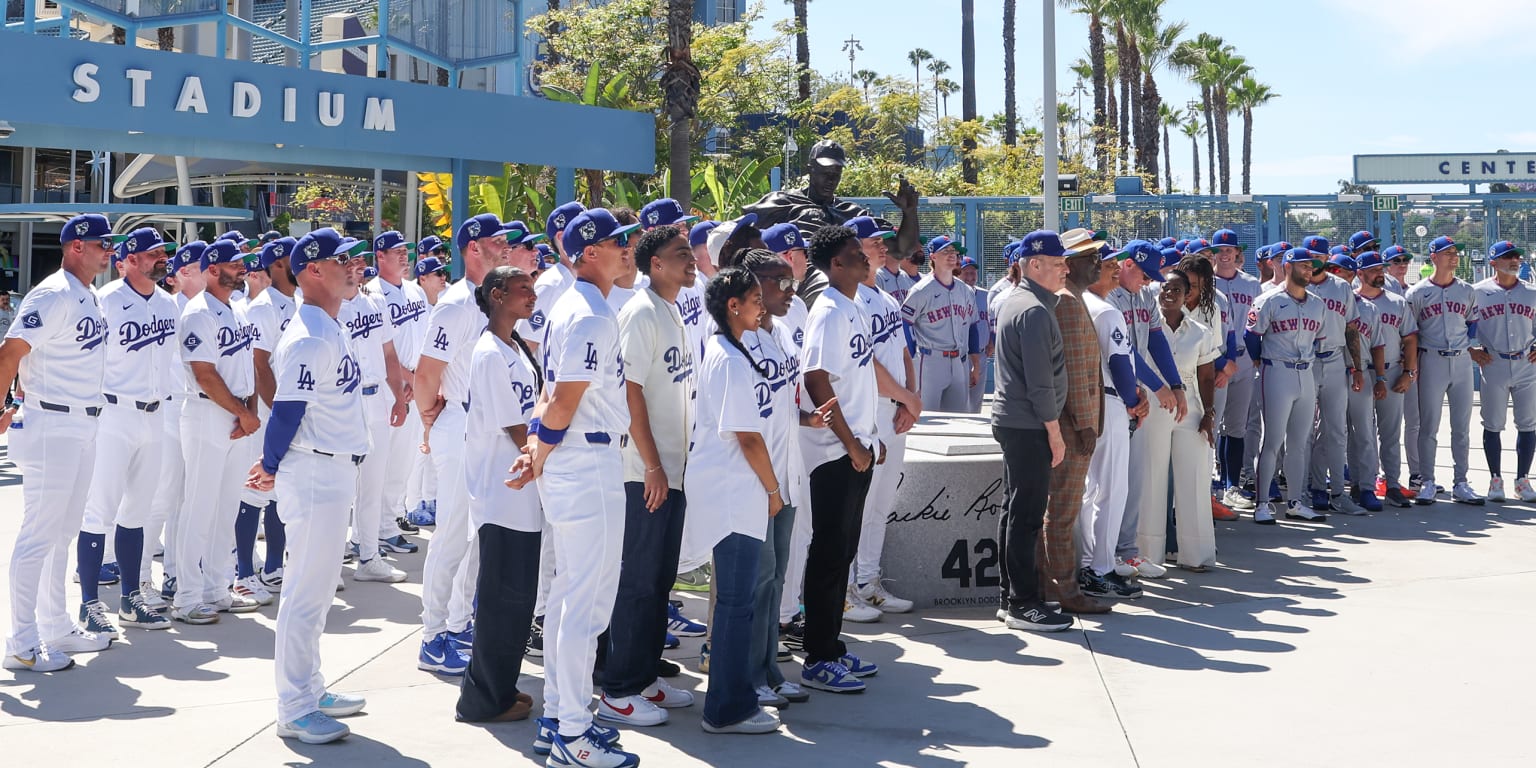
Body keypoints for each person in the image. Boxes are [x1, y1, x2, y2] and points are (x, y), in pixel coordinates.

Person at [513, 207, 641, 768]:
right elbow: (563, 398)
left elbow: (549, 393)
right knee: (584, 607)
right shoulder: (588, 312)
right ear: (589, 252)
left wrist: (536, 448)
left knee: (572, 599)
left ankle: (560, 719)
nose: (626, 248)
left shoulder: (576, 304)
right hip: (585, 458)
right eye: (617, 242)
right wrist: (540, 451)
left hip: (576, 455)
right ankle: (572, 733)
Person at [246, 227, 370, 745]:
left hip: (331, 467)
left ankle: (311, 689)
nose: (354, 267)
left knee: (317, 591)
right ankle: (294, 707)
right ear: (313, 270)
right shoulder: (309, 334)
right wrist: (270, 461)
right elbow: (287, 409)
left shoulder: (328, 324)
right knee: (304, 591)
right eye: (343, 261)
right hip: (315, 469)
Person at [0, 214, 114, 672]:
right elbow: (11, 352)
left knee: (62, 535)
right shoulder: (53, 293)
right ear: (76, 247)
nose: (109, 251)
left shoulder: (86, 294)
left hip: (82, 424)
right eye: (102, 243)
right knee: (38, 535)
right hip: (52, 424)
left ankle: (54, 626)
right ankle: (21, 643)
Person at [597, 224, 698, 727]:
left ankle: (643, 677)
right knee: (637, 582)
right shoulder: (640, 311)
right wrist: (653, 465)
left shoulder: (671, 309)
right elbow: (629, 390)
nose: (691, 260)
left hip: (672, 469)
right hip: (644, 472)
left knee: (659, 581)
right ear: (655, 263)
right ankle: (617, 690)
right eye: (681, 254)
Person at [684, 267, 785, 735]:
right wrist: (773, 489)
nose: (762, 306)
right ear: (733, 306)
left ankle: (731, 701)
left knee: (736, 602)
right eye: (755, 299)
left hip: (736, 490)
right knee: (735, 603)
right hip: (733, 492)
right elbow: (747, 436)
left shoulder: (731, 350)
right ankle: (726, 709)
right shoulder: (726, 357)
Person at [415, 213, 512, 674]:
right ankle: (432, 635)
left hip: (488, 425)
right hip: (459, 420)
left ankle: (457, 623)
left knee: (476, 536)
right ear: (474, 247)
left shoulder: (493, 299)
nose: (505, 245)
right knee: (452, 534)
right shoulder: (454, 304)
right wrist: (429, 421)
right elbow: (426, 373)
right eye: (497, 240)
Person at [76, 227, 179, 636]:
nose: (162, 258)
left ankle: (131, 600)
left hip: (155, 415)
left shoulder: (169, 303)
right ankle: (88, 604)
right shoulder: (106, 301)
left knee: (137, 511)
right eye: (153, 253)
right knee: (99, 510)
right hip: (114, 413)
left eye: (163, 252)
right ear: (130, 260)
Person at [797, 224, 884, 692]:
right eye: (856, 254)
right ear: (835, 264)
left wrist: (870, 439)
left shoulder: (853, 305)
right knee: (830, 554)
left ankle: (831, 646)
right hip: (835, 452)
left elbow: (856, 378)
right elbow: (816, 379)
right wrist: (851, 443)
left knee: (843, 552)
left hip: (858, 447)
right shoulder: (828, 311)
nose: (865, 259)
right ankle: (817, 657)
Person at [455, 265, 543, 724]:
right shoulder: (490, 352)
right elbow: (514, 425)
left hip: (523, 490)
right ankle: (482, 699)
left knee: (518, 596)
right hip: (502, 489)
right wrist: (542, 460)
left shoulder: (516, 346)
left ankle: (502, 688)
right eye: (521, 288)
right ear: (495, 295)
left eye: (532, 287)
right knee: (501, 597)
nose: (531, 294)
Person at [741, 249, 822, 707]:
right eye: (779, 281)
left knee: (775, 578)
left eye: (792, 281)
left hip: (786, 474)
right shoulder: (736, 339)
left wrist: (808, 419)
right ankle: (750, 676)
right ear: (752, 284)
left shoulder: (786, 333)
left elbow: (783, 403)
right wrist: (770, 485)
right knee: (758, 580)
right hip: (757, 479)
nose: (791, 290)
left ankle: (769, 669)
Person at [990, 229, 1075, 632]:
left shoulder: (1020, 301)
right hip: (1028, 424)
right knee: (1025, 516)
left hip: (1017, 422)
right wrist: (1054, 433)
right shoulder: (1035, 310)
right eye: (1058, 263)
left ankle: (1012, 597)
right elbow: (1040, 384)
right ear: (1035, 264)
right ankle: (1022, 603)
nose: (1065, 270)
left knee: (1014, 511)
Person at [174, 237, 262, 624]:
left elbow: (248, 366)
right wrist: (243, 413)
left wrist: (250, 410)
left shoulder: (237, 308)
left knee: (226, 507)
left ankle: (216, 588)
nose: (242, 267)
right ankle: (186, 597)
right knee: (199, 506)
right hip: (207, 412)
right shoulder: (198, 312)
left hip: (236, 413)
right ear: (212, 269)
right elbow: (204, 375)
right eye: (234, 263)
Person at [850, 219, 922, 621]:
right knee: (857, 506)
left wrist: (910, 399)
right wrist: (905, 397)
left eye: (883, 241)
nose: (881, 246)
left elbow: (904, 351)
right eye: (872, 241)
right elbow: (867, 363)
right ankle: (846, 587)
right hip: (870, 409)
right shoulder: (852, 299)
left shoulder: (887, 297)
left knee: (881, 504)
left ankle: (868, 581)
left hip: (894, 409)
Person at [1043, 234, 1113, 613]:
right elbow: (1072, 370)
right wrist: (1086, 424)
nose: (1098, 264)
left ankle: (1052, 584)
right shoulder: (1068, 302)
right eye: (1091, 258)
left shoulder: (1075, 298)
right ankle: (1065, 589)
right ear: (1069, 265)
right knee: (1062, 511)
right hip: (1073, 427)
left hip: (1076, 424)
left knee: (1062, 509)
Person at [1106, 241, 1183, 579]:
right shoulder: (1108, 297)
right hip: (1109, 393)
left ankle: (1127, 551)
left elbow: (1156, 341)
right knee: (1108, 484)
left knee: (1132, 480)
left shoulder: (1145, 296)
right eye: (1144, 274)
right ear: (1127, 264)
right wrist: (1158, 386)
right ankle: (1104, 557)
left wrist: (1176, 384)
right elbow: (1124, 351)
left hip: (1133, 395)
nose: (1149, 281)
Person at [1079, 243, 1149, 600]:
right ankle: (1101, 568)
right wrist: (1135, 401)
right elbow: (1121, 366)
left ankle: (1086, 562)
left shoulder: (1075, 302)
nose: (1112, 270)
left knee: (1089, 491)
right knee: (1111, 490)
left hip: (1085, 403)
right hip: (1108, 402)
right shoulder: (1106, 311)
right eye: (1107, 265)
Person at [1138, 268, 1220, 570]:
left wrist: (1209, 414)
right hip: (1154, 403)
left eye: (1176, 290)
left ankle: (1196, 555)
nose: (1169, 294)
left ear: (1188, 295)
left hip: (1190, 408)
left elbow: (1206, 376)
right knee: (1152, 478)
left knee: (1194, 479)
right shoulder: (1145, 326)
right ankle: (1149, 555)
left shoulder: (1200, 331)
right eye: (1165, 289)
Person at [234, 236, 299, 606]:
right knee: (254, 490)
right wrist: (275, 411)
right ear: (277, 265)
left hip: (287, 410)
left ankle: (274, 566)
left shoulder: (298, 300)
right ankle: (243, 572)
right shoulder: (264, 307)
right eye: (293, 257)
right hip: (268, 411)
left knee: (279, 489)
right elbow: (259, 364)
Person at [339, 247, 410, 583]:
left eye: (359, 259)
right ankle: (334, 559)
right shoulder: (329, 306)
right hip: (345, 401)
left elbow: (389, 353)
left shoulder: (374, 302)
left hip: (375, 396)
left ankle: (369, 556)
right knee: (341, 485)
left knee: (372, 483)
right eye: (349, 260)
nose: (357, 265)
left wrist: (398, 397)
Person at [1247, 247, 1329, 524]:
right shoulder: (1268, 299)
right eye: (1304, 265)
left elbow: (1319, 340)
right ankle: (1262, 503)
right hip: (1276, 371)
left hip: (1306, 372)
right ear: (1287, 266)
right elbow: (1251, 336)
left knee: (1299, 443)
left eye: (1311, 266)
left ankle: (1296, 501)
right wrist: (1260, 361)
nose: (1309, 270)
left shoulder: (1317, 303)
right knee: (1272, 441)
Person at [1407, 236, 1482, 506]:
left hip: (1461, 361)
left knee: (1461, 427)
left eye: (1455, 252)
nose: (1454, 256)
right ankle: (1427, 481)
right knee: (1428, 426)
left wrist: (1468, 347)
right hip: (1431, 360)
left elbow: (1472, 324)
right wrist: (1412, 366)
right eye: (1448, 252)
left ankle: (1461, 482)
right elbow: (1410, 333)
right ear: (1433, 257)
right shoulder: (1417, 293)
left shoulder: (1466, 290)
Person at [370, 231, 432, 547]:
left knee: (402, 462)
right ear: (380, 256)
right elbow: (380, 348)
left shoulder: (416, 291)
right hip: (385, 387)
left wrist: (419, 379)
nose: (404, 256)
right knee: (378, 464)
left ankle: (389, 522)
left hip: (414, 386)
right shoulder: (371, 293)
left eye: (405, 251)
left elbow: (425, 337)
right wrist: (405, 379)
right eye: (396, 251)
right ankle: (371, 531)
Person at [1300, 237, 1366, 515]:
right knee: (1302, 431)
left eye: (1321, 255)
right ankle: (1301, 493)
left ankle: (1337, 492)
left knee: (1336, 430)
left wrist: (1357, 367)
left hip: (1335, 359)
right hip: (1305, 361)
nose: (1316, 260)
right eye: (1311, 255)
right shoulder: (1297, 285)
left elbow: (1351, 328)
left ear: (1328, 258)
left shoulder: (1341, 286)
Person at [1471, 240, 1536, 502]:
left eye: (1516, 256)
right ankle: (1495, 479)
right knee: (1493, 423)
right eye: (1508, 256)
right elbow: (1462, 324)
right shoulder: (1477, 292)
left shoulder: (1531, 292)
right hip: (1493, 362)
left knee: (1528, 422)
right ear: (1493, 262)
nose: (1514, 260)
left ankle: (1522, 480)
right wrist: (1470, 350)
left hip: (1526, 362)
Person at [1354, 251, 1418, 508]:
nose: (1379, 273)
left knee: (1391, 434)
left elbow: (1410, 339)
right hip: (1360, 371)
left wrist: (1408, 372)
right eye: (1373, 270)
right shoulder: (1352, 301)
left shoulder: (1396, 301)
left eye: (1381, 269)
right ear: (1360, 274)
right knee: (1362, 433)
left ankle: (1392, 484)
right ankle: (1363, 485)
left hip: (1391, 372)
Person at [1210, 229, 1261, 510]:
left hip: (1243, 360)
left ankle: (1232, 485)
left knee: (1237, 426)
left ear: (1237, 253)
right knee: (1212, 425)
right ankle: (1213, 485)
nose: (1225, 254)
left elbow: (1259, 324)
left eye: (1229, 250)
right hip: (1215, 361)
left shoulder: (1252, 284)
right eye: (1219, 249)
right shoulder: (1206, 283)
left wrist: (1255, 357)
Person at [903, 235, 982, 412]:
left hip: (959, 360)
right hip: (931, 360)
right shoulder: (921, 290)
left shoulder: (965, 290)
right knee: (926, 416)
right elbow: (905, 323)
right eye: (945, 251)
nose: (952, 255)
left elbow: (973, 327)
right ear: (933, 256)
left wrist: (975, 364)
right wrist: (911, 358)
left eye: (954, 251)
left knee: (959, 419)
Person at [404, 250, 450, 527]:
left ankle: (429, 499)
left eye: (444, 272)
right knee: (419, 450)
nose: (444, 277)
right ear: (423, 278)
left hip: (438, 384)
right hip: (418, 385)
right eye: (438, 274)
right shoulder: (419, 307)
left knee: (432, 451)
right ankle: (412, 505)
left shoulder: (440, 305)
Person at [522, 200, 587, 356]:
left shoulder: (582, 279)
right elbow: (526, 345)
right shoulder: (551, 286)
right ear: (562, 237)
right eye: (584, 229)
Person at [958, 256, 991, 413]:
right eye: (966, 273)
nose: (970, 276)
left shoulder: (986, 295)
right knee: (959, 401)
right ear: (958, 274)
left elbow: (992, 322)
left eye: (973, 273)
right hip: (961, 355)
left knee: (976, 401)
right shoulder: (955, 295)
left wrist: (991, 342)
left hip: (982, 353)